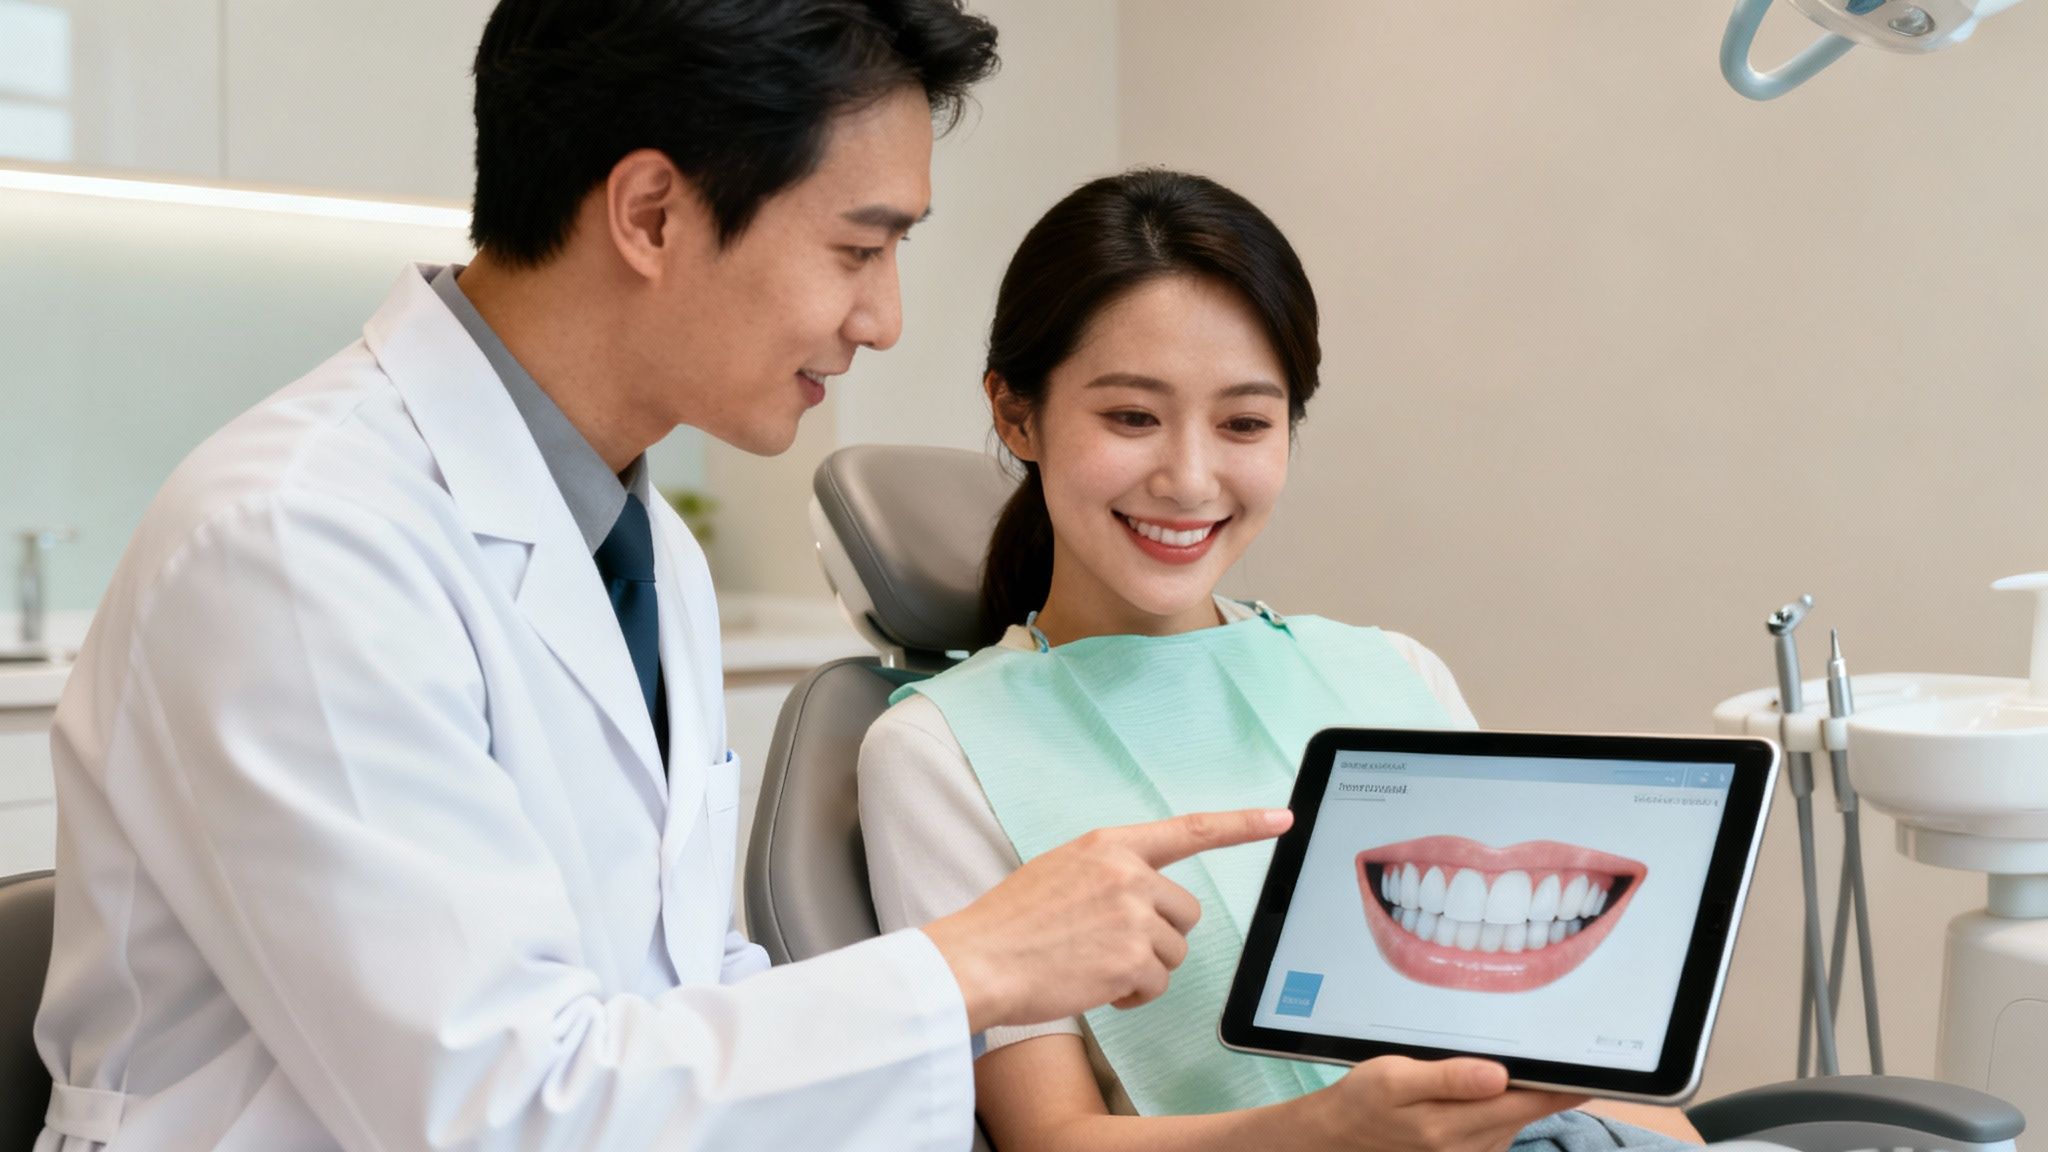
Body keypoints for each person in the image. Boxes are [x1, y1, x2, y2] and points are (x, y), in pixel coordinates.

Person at [31, 6, 1290, 1150]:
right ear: (648, 215)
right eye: (858, 248)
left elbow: (682, 993)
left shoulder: (637, 544)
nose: (882, 318)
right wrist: (972, 963)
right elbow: (491, 1111)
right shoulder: (299, 541)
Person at [858, 169, 1707, 1152]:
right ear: (1016, 415)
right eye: (1131, 417)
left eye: (1244, 424)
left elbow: (1552, 1060)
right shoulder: (941, 753)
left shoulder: (1394, 670)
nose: (1189, 480)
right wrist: (1328, 1132)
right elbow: (1051, 1138)